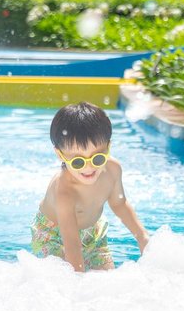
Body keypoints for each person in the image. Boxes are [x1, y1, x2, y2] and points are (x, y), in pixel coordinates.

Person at [31, 102, 149, 271]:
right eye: (78, 161)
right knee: (63, 278)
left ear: (108, 147)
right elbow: (72, 246)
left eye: (97, 158)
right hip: (53, 236)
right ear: (60, 155)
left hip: (93, 231)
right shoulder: (64, 192)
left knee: (107, 279)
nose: (89, 167)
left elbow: (119, 204)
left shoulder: (112, 170)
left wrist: (142, 237)